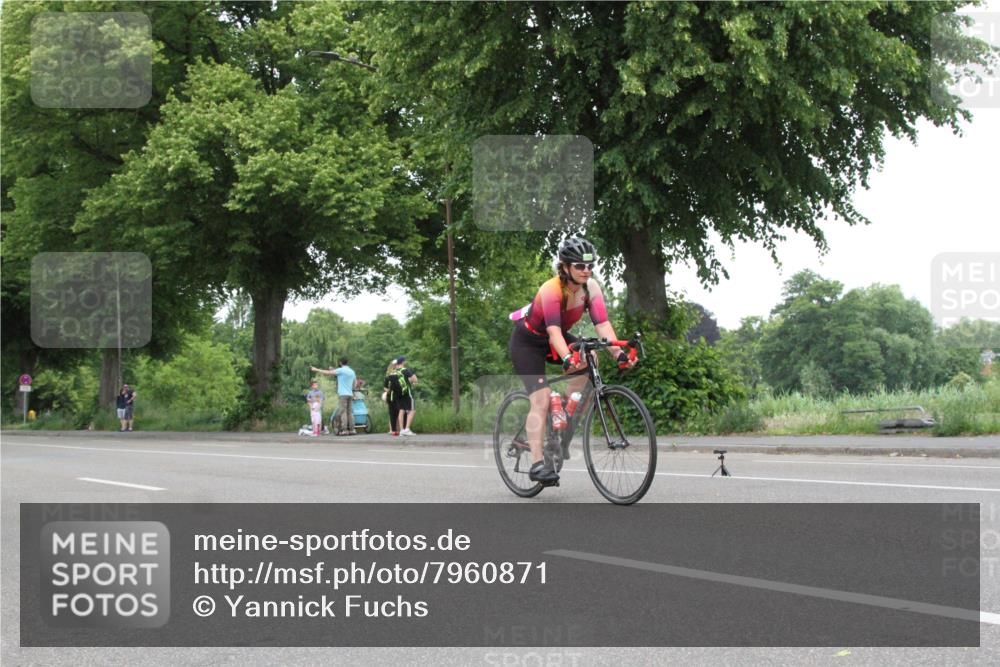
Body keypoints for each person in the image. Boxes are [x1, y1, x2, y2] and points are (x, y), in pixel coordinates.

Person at [508, 237, 635, 484]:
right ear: (565, 267)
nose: (586, 270)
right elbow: (553, 330)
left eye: (590, 265)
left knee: (591, 357)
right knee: (541, 399)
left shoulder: (592, 288)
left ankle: (563, 421)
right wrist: (567, 358)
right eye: (579, 266)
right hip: (529, 342)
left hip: (555, 336)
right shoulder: (551, 289)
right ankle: (536, 465)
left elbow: (602, 324)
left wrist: (619, 353)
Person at [312, 358, 357, 435]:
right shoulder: (352, 371)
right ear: (347, 363)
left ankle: (344, 430)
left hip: (343, 394)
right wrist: (351, 389)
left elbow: (328, 373)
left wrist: (316, 369)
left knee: (343, 412)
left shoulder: (340, 370)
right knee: (350, 412)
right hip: (350, 394)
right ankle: (352, 430)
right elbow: (355, 383)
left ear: (340, 362)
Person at [393, 356, 418, 436]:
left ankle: (402, 430)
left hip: (398, 394)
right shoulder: (406, 370)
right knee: (412, 410)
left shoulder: (394, 372)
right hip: (407, 393)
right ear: (403, 362)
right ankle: (407, 429)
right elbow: (415, 380)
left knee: (401, 410)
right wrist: (413, 383)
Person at [382, 359, 403, 436]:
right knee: (393, 413)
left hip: (396, 397)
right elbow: (385, 386)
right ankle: (393, 429)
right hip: (392, 397)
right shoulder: (390, 375)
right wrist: (389, 391)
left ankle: (396, 429)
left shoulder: (399, 374)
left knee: (396, 413)